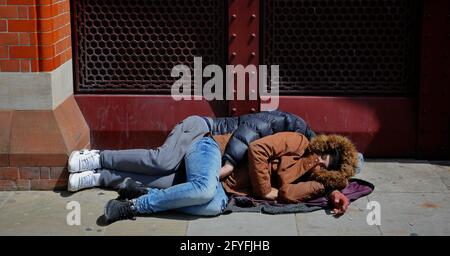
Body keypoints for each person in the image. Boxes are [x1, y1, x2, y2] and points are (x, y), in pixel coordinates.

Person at [101, 131, 362, 223]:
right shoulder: (298, 141)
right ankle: (133, 207)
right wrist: (263, 191)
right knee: (203, 190)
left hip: (226, 188)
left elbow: (285, 194)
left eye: (323, 165)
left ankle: (143, 193)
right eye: (321, 155)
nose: (318, 161)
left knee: (213, 206)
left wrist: (320, 184)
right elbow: (257, 149)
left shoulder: (310, 179)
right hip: (213, 150)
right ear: (323, 146)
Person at [67, 110, 316, 192]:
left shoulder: (301, 163)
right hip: (202, 130)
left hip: (207, 158)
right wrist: (229, 164)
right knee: (162, 161)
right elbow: (250, 130)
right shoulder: (290, 124)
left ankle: (99, 176)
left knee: (166, 182)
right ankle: (97, 157)